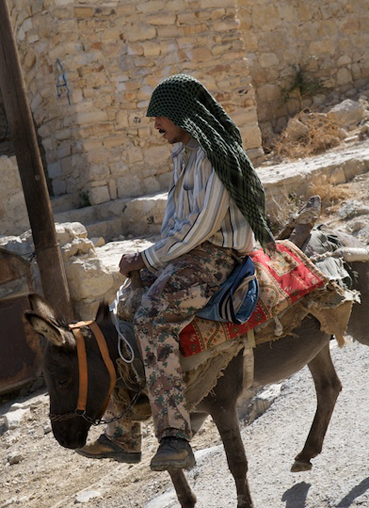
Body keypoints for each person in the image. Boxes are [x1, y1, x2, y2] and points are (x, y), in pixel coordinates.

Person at [77, 74, 276, 471]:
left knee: (152, 317)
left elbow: (203, 227)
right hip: (185, 257)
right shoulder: (183, 155)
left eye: (161, 118)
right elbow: (176, 226)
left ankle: (175, 436)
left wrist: (150, 259)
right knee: (121, 310)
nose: (156, 126)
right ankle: (123, 434)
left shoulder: (214, 156)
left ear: (183, 115)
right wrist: (144, 259)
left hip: (216, 258)